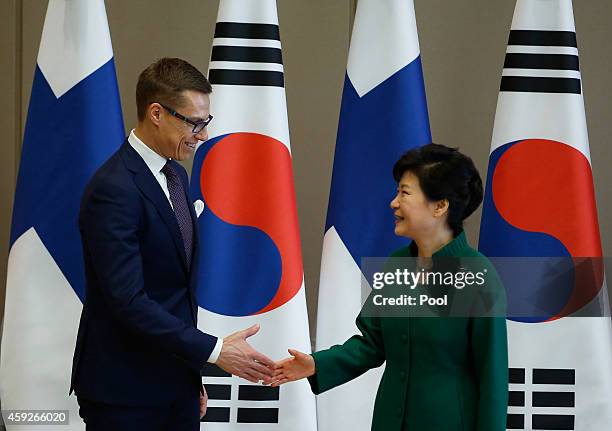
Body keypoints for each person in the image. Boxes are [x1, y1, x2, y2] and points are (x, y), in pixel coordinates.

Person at [70, 58, 274, 431]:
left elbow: (174, 292)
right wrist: (215, 351)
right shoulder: (113, 189)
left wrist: (189, 377)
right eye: (194, 123)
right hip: (124, 394)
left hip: (174, 385)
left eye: (205, 122)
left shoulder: (176, 176)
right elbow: (128, 301)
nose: (203, 135)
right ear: (157, 113)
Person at [271, 144, 509, 430]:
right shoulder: (398, 264)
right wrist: (317, 364)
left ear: (440, 206)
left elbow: (492, 377)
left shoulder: (477, 274)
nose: (394, 203)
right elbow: (372, 344)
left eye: (405, 193)